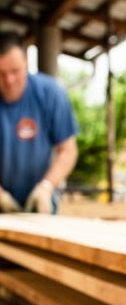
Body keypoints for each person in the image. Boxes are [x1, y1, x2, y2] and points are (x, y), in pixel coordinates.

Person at [0, 30, 78, 214]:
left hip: (42, 202)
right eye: (1, 73)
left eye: (15, 71)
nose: (9, 80)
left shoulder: (50, 93)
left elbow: (68, 150)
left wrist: (46, 186)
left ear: (26, 62)